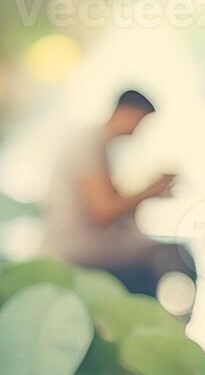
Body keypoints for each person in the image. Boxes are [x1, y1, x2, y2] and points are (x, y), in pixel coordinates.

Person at [41, 90, 179, 295]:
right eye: (140, 121)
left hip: (84, 245)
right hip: (75, 249)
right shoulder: (88, 143)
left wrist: (151, 191)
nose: (139, 130)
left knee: (160, 250)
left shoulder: (99, 145)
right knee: (169, 254)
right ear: (127, 113)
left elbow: (115, 202)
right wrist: (150, 191)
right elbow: (104, 212)